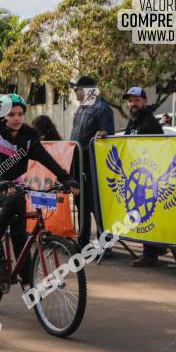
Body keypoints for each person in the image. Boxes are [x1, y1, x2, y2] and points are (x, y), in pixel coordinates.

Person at [0, 94, 79, 277]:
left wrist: (67, 179)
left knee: (20, 236)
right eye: (11, 115)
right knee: (13, 200)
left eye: (20, 114)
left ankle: (26, 283)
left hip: (14, 187)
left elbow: (47, 160)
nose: (16, 118)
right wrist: (1, 181)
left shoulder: (29, 138)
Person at [120, 87, 168, 267]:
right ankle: (156, 247)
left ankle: (152, 252)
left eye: (136, 100)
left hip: (149, 176)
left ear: (145, 101)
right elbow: (125, 143)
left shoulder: (149, 122)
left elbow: (154, 149)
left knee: (147, 212)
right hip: (138, 175)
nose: (133, 104)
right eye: (130, 101)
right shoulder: (133, 121)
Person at [69, 76, 115, 252]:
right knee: (82, 204)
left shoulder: (102, 108)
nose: (75, 93)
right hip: (79, 163)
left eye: (77, 89)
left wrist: (103, 135)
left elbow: (106, 137)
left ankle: (105, 245)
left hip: (93, 165)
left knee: (96, 205)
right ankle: (83, 241)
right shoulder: (82, 108)